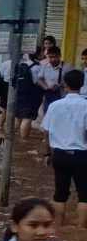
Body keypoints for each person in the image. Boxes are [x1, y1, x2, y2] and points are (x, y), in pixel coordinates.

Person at [38, 67, 87, 228]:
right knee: (84, 195)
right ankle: (80, 230)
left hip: (59, 155)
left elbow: (46, 131)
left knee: (60, 194)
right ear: (82, 84)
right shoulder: (85, 106)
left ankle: (58, 227)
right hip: (82, 155)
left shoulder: (54, 106)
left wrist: (46, 154)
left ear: (65, 85)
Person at [34, 45, 65, 114]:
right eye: (50, 57)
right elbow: (39, 79)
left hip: (62, 97)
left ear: (60, 56)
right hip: (48, 96)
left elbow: (71, 82)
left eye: (55, 57)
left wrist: (60, 85)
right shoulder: (44, 66)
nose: (53, 59)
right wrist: (46, 87)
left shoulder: (67, 67)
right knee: (47, 115)